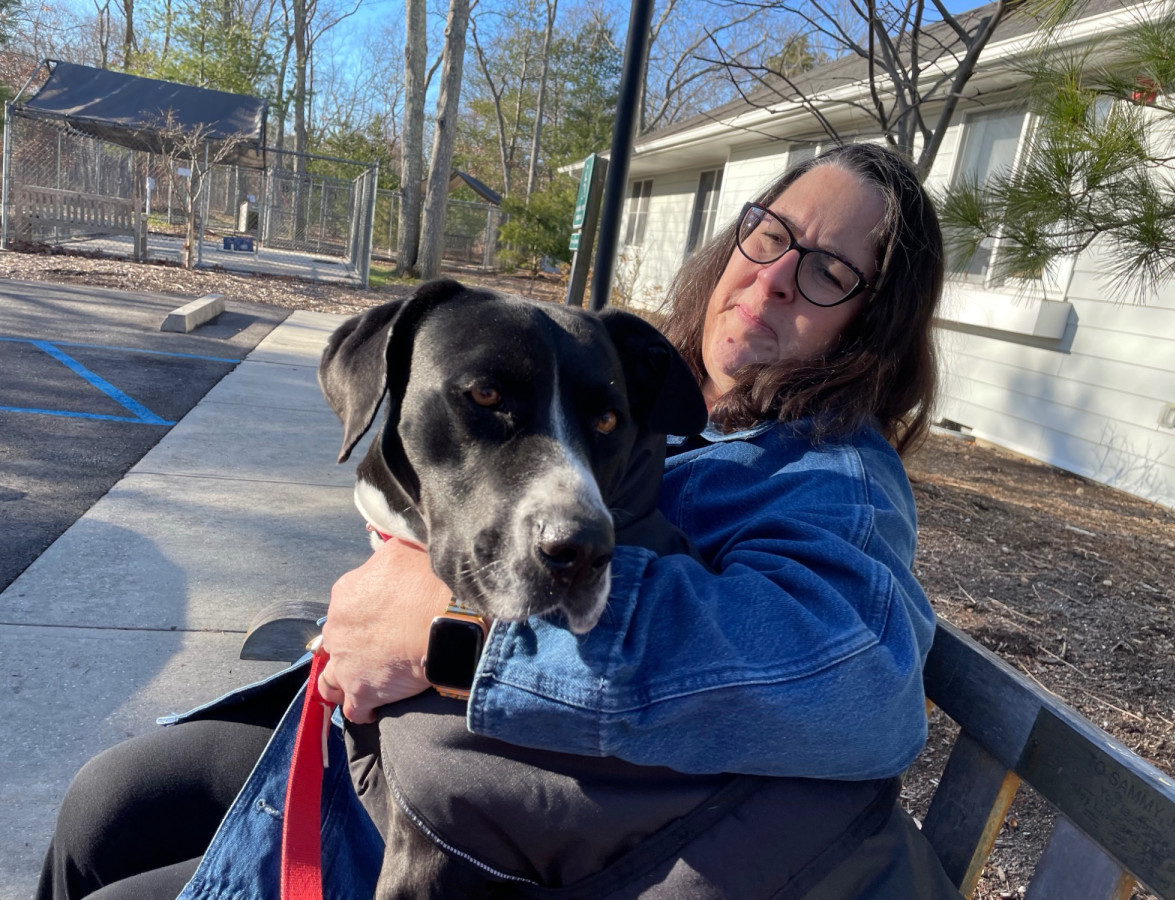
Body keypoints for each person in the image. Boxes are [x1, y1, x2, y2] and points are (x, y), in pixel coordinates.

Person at [38, 142, 953, 899]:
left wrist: (454, 635)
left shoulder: (832, 472)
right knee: (105, 802)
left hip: (490, 838)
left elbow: (862, 683)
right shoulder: (659, 400)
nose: (778, 276)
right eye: (772, 234)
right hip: (409, 761)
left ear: (872, 324)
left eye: (829, 271)